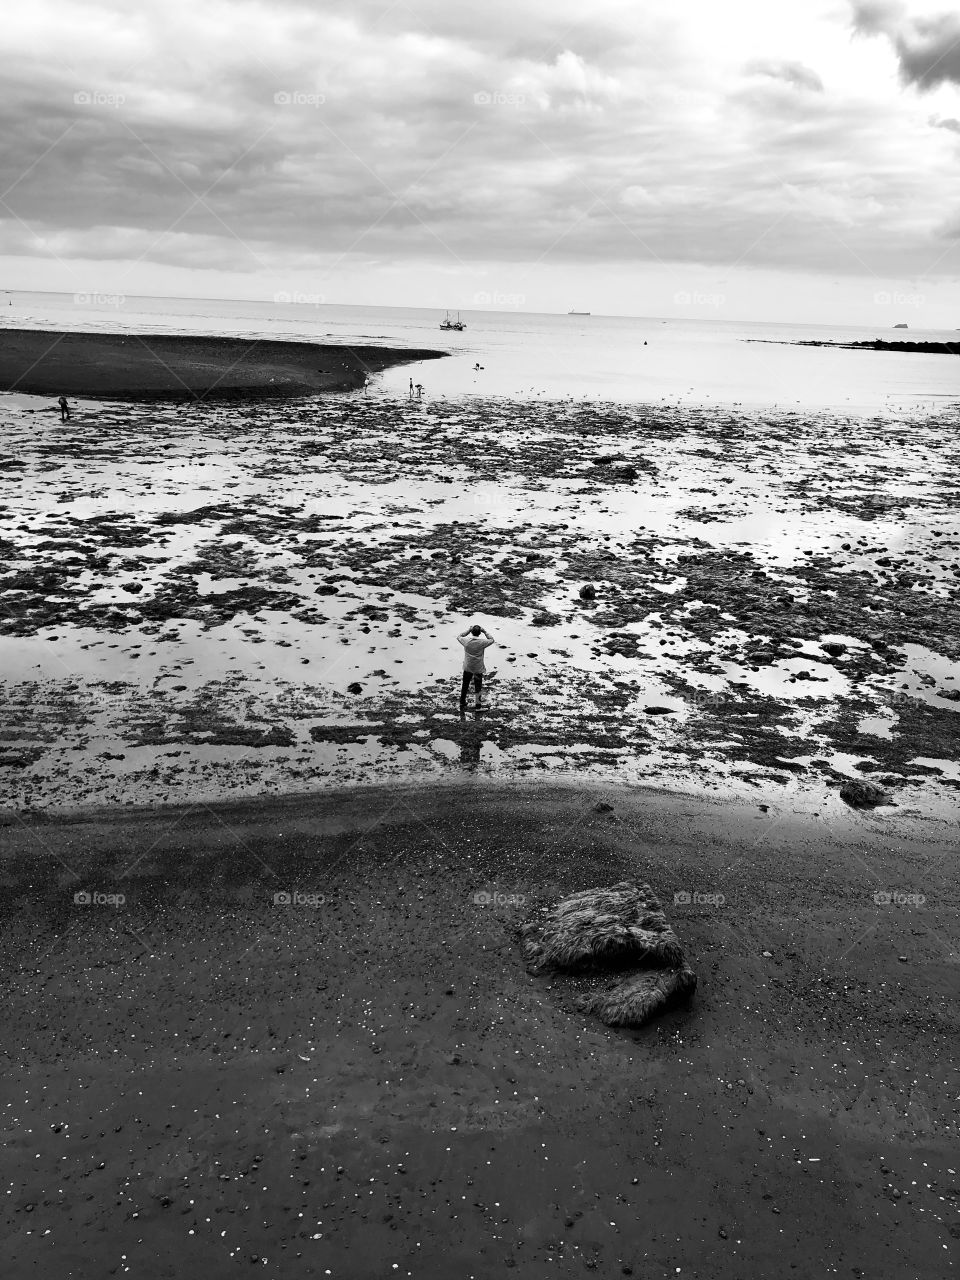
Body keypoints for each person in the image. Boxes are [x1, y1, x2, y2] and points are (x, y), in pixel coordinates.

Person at [458, 623, 494, 709]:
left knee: (465, 685)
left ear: (471, 632)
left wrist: (468, 630)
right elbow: (491, 639)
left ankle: (462, 702)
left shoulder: (466, 641)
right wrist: (485, 631)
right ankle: (478, 706)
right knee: (478, 687)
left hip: (468, 666)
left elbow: (459, 636)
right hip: (478, 667)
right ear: (479, 633)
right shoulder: (482, 642)